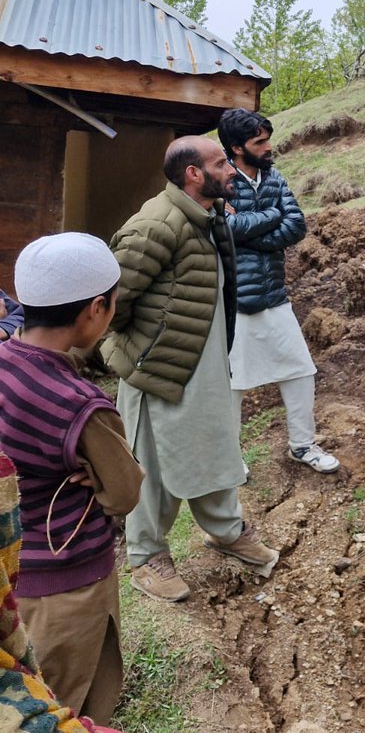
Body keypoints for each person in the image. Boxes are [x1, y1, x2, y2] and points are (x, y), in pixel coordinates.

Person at [102, 136, 279, 602]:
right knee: (152, 464)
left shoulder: (208, 216)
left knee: (212, 446)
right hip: (158, 368)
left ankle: (225, 530)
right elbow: (111, 302)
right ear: (193, 174)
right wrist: (145, 348)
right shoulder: (157, 223)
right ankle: (145, 557)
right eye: (221, 163)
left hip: (203, 362)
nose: (232, 170)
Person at [0, 233, 143, 724]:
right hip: (67, 587)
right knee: (61, 706)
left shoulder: (4, 359)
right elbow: (124, 491)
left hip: (12, 576)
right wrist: (97, 480)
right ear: (96, 308)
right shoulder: (81, 405)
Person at [218, 108, 340, 474]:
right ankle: (227, 457)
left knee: (300, 370)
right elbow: (225, 230)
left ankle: (302, 445)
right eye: (260, 141)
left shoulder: (274, 177)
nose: (269, 146)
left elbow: (297, 225)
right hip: (233, 302)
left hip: (274, 295)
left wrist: (246, 230)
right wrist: (270, 218)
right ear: (237, 148)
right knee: (232, 385)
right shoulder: (220, 178)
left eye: (268, 138)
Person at [0, 446, 121, 732]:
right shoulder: (72, 404)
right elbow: (125, 488)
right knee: (78, 691)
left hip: (29, 584)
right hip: (76, 580)